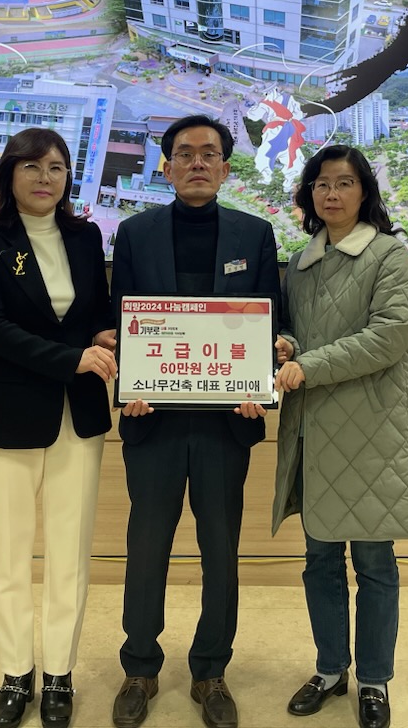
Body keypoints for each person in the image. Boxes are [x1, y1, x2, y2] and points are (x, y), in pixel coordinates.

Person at [110, 114, 280, 728]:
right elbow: (120, 319)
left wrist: (261, 381)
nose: (198, 162)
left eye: (210, 153)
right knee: (146, 549)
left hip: (224, 425)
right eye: (185, 153)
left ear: (226, 168)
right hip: (152, 419)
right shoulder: (135, 233)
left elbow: (274, 321)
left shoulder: (255, 234)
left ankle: (210, 671)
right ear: (167, 166)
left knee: (220, 552)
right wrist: (129, 382)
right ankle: (140, 667)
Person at [0, 127, 118, 728]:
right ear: (10, 174)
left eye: (56, 167)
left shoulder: (84, 236)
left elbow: (96, 313)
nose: (45, 178)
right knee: (8, 553)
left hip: (79, 413)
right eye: (31, 166)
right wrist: (71, 357)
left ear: (68, 176)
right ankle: (14, 674)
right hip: (8, 411)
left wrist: (108, 336)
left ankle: (58, 674)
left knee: (69, 553)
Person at [272, 145, 408, 728]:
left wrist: (307, 364)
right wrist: (285, 344)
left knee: (375, 562)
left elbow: (390, 336)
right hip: (314, 428)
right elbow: (295, 328)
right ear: (309, 194)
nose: (331, 194)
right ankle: (331, 669)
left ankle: (375, 680)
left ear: (365, 192)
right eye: (321, 184)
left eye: (344, 183)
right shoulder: (300, 262)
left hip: (372, 430)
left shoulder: (389, 254)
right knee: (320, 560)